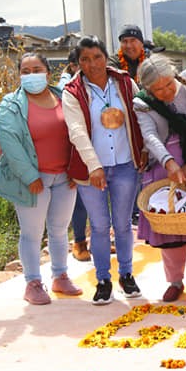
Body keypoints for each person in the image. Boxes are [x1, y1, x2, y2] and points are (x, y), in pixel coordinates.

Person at [0, 53, 83, 304]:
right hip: (33, 178)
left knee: (59, 229)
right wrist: (30, 176)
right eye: (26, 70)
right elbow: (10, 144)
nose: (31, 75)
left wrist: (77, 169)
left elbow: (78, 132)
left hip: (65, 177)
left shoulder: (65, 98)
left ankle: (60, 276)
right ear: (20, 74)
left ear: (48, 72)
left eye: (37, 69)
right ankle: (32, 282)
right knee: (31, 233)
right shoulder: (11, 105)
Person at [62, 35, 145, 305]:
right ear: (78, 63)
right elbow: (76, 131)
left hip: (124, 164)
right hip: (91, 170)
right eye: (84, 59)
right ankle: (102, 279)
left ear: (105, 57)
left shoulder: (124, 82)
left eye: (97, 57)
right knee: (98, 227)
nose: (92, 64)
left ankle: (126, 274)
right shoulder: (72, 91)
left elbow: (140, 115)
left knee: (122, 225)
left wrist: (143, 150)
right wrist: (94, 166)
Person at [134, 56, 186, 301]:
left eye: (169, 85)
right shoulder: (142, 103)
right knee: (168, 222)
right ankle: (174, 280)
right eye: (157, 89)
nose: (165, 92)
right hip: (163, 168)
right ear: (148, 89)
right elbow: (150, 136)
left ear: (175, 77)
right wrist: (169, 163)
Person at [57, 47, 91, 262]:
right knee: (79, 199)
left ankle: (95, 240)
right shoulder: (65, 88)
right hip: (73, 148)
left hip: (92, 146)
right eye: (81, 61)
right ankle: (79, 241)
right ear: (72, 65)